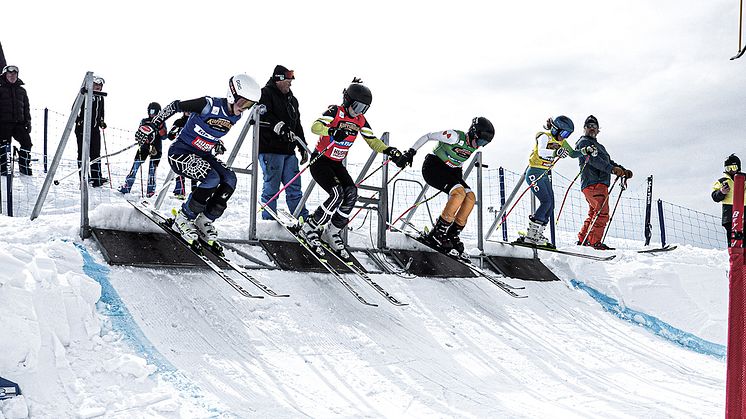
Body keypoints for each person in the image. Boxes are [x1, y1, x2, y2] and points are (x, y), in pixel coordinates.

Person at [135, 73, 261, 247]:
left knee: (230, 179)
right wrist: (154, 124)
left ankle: (205, 220)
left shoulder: (236, 116)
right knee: (212, 178)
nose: (244, 108)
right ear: (232, 94)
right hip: (180, 152)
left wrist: (216, 142)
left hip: (203, 153)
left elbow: (210, 129)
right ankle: (184, 217)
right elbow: (175, 106)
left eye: (249, 105)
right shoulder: (209, 105)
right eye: (242, 103)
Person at [298, 78, 403, 258]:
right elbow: (315, 127)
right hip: (321, 160)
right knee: (337, 194)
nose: (358, 112)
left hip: (336, 164)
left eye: (363, 108)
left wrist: (389, 151)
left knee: (351, 193)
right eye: (357, 106)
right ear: (347, 101)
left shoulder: (361, 120)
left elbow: (373, 141)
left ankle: (332, 231)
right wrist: (331, 131)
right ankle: (309, 227)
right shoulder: (335, 111)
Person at [392, 117, 495, 258]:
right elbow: (428, 136)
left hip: (451, 171)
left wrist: (458, 174)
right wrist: (410, 152)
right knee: (458, 193)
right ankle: (437, 232)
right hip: (433, 167)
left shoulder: (473, 145)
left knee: (470, 198)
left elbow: (458, 159)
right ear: (473, 133)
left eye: (485, 144)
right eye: (480, 141)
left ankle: (452, 233)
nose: (480, 146)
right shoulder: (454, 136)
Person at [514, 116, 597, 247]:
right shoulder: (544, 137)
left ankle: (538, 234)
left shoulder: (562, 142)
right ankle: (531, 235)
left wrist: (585, 150)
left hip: (544, 174)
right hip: (535, 172)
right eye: (564, 133)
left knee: (551, 205)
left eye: (568, 134)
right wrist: (556, 152)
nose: (565, 137)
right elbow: (541, 152)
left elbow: (573, 154)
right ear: (555, 129)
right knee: (546, 201)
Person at [258, 65, 310, 220]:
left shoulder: (292, 100)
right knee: (272, 188)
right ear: (278, 79)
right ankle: (268, 219)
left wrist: (303, 146)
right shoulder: (265, 93)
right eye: (288, 80)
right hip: (270, 149)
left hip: (288, 151)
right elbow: (264, 114)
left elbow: (297, 124)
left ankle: (301, 217)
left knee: (294, 188)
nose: (290, 83)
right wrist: (280, 127)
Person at [575, 115, 632, 250]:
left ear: (598, 129)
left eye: (594, 126)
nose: (592, 129)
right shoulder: (583, 143)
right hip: (594, 182)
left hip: (596, 183)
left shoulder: (599, 146)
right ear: (584, 128)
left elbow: (607, 161)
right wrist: (612, 170)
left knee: (594, 212)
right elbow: (594, 161)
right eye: (589, 126)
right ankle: (594, 242)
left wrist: (622, 170)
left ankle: (583, 239)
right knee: (602, 212)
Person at [119, 102, 168, 197]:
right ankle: (127, 185)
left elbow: (164, 136)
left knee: (152, 169)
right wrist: (144, 139)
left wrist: (160, 127)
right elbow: (139, 133)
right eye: (150, 111)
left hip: (156, 148)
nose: (152, 113)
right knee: (135, 165)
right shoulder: (144, 120)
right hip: (144, 147)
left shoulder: (161, 122)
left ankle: (151, 190)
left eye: (154, 111)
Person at [75, 76, 107, 187]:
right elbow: (75, 108)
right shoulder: (85, 95)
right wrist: (79, 121)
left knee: (96, 154)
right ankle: (83, 177)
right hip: (82, 129)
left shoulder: (100, 97)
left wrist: (101, 121)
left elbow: (101, 112)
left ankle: (96, 177)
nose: (98, 87)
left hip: (94, 129)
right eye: (95, 85)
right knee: (83, 153)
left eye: (99, 85)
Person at [0, 65, 32, 175]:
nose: (12, 76)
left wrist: (28, 121)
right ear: (5, 75)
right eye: (10, 74)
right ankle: (4, 169)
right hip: (3, 124)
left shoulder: (22, 91)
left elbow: (26, 107)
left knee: (27, 143)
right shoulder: (0, 88)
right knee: (4, 146)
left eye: (14, 74)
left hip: (19, 123)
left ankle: (24, 166)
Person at [712, 154, 743, 247]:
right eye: (728, 168)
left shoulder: (744, 179)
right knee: (733, 238)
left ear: (738, 167)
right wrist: (722, 192)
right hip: (729, 212)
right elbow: (714, 196)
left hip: (743, 210)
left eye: (733, 167)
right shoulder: (722, 181)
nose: (731, 170)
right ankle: (734, 258)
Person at [168, 113, 194, 199]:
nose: (188, 112)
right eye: (186, 110)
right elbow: (170, 136)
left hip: (194, 149)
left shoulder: (195, 121)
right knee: (179, 169)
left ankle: (194, 192)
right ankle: (180, 191)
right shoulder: (179, 122)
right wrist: (173, 131)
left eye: (190, 110)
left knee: (194, 170)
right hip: (181, 148)